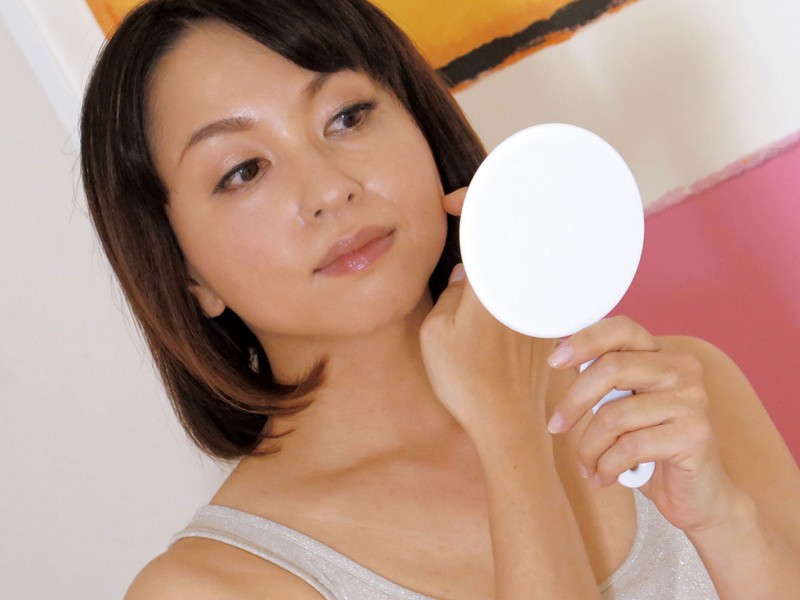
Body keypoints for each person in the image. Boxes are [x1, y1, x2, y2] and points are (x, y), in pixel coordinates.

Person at [80, 0, 800, 598]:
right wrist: (510, 438)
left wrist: (724, 522)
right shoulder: (209, 587)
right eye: (243, 170)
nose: (330, 188)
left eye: (346, 117)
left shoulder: (674, 398)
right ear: (183, 272)